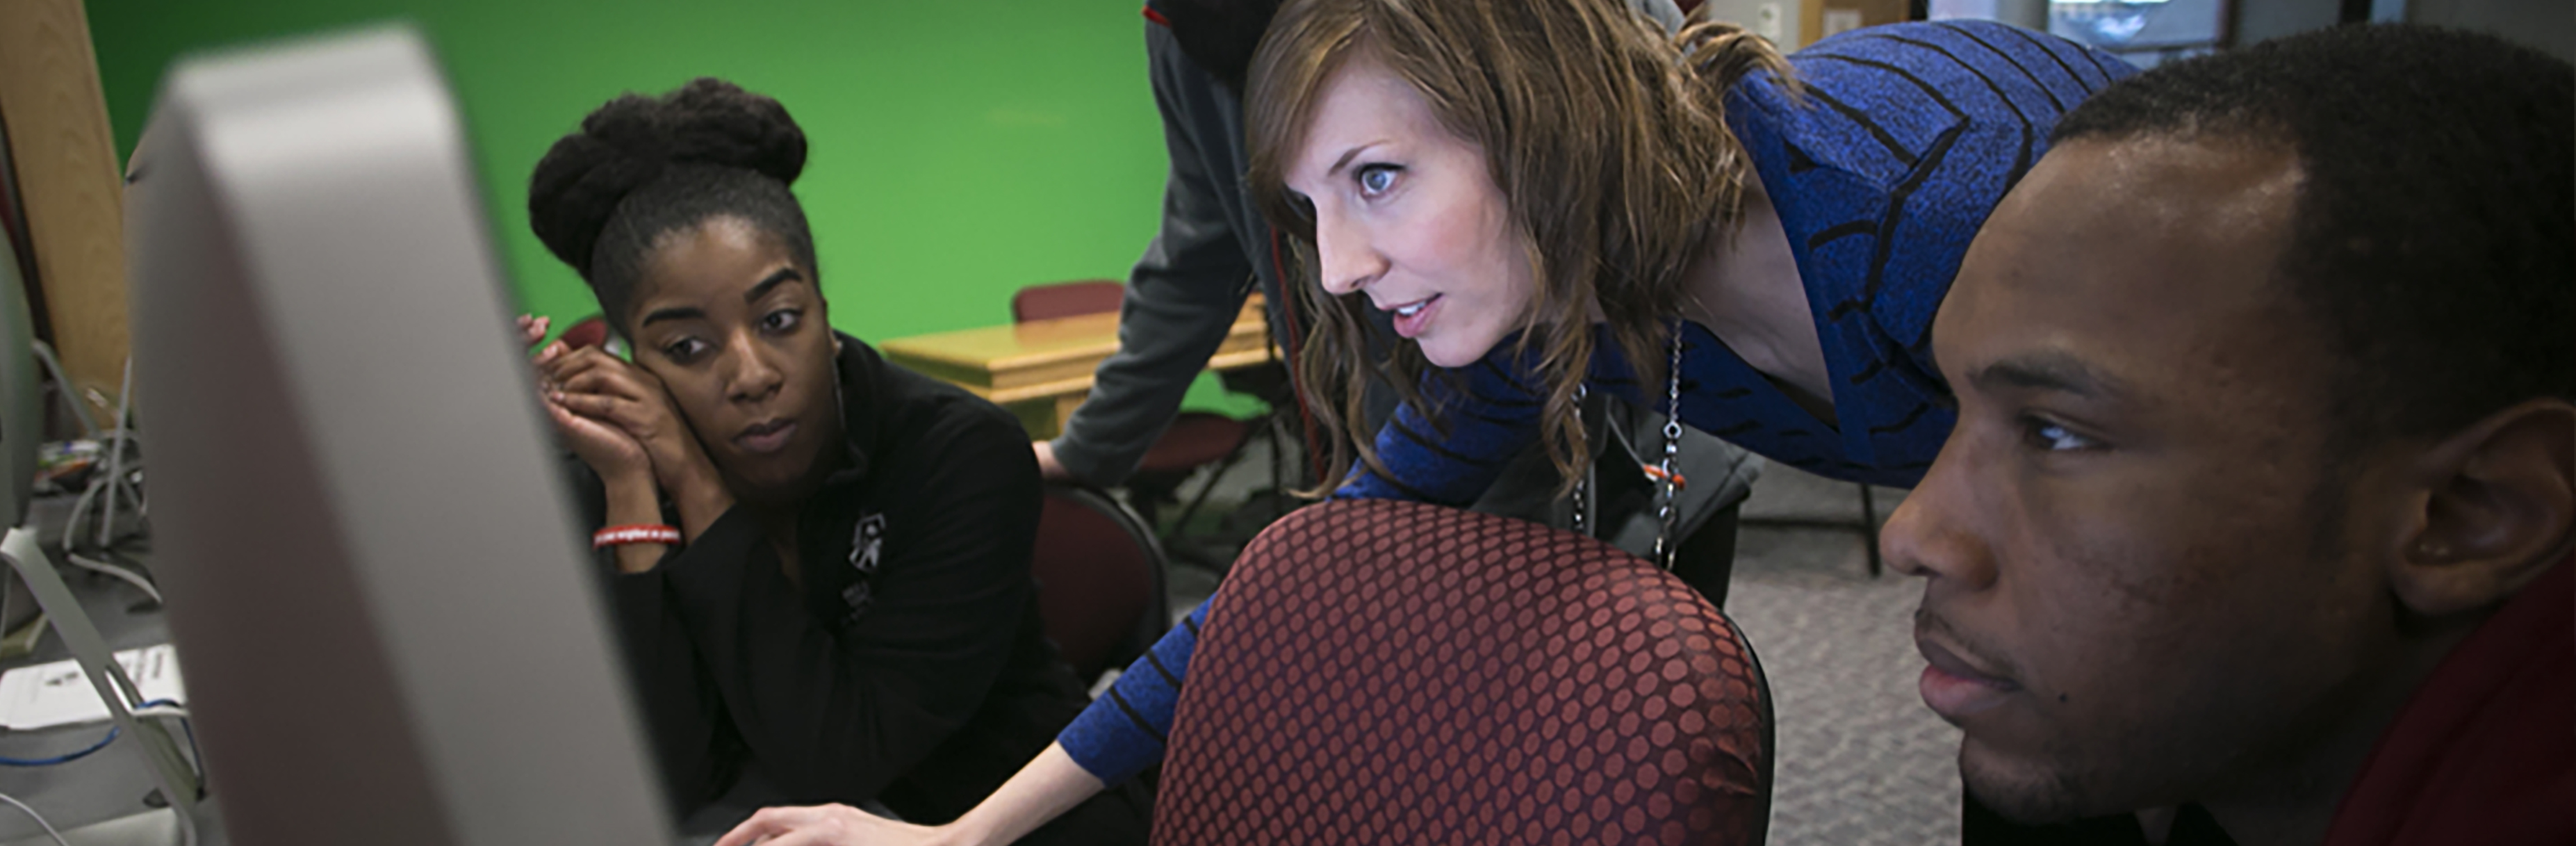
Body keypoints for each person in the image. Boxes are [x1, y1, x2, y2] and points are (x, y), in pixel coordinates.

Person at [723, 1, 2133, 842]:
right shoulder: (1544, 310)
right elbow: (1278, 593)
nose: (1333, 266)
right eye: (1312, 205)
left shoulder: (1933, 212)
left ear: (1540, 123)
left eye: (1379, 177)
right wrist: (963, 832)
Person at [1882, 24, 2571, 846]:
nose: (1914, 534)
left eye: (2056, 434)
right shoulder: (2147, 756)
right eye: (1956, 406)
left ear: (2467, 512)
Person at [521, 78, 1146, 843]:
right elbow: (670, 781)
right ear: (629, 356)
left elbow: (845, 755)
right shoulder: (616, 475)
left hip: (993, 819)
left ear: (823, 306)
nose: (751, 373)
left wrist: (696, 482)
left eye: (780, 319)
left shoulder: (956, 450)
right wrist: (630, 490)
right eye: (688, 347)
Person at [1061, 0, 1761, 604]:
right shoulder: (1185, 29)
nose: (1336, 271)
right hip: (1401, 473)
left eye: (1375, 177)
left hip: (1629, 464)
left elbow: (1677, 171)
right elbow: (1196, 254)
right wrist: (1090, 448)